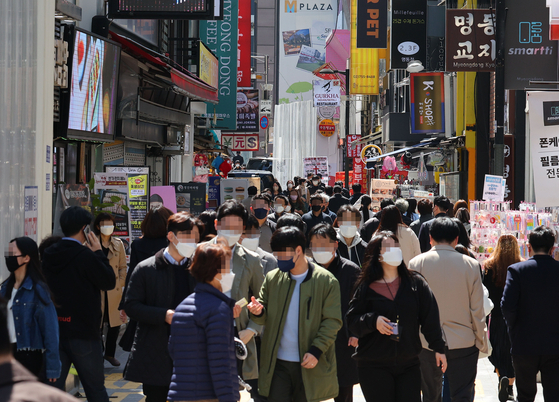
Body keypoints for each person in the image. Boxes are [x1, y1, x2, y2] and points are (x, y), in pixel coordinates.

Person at [347, 231, 447, 402]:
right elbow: (352, 321)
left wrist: (439, 348)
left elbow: (430, 317)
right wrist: (373, 321)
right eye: (388, 248)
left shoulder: (415, 283)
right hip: (373, 364)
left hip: (408, 363)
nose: (394, 250)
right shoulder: (365, 286)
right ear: (377, 256)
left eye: (395, 246)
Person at [247, 226, 342, 402]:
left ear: (298, 251)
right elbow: (262, 313)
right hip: (277, 363)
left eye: (283, 254)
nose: (279, 259)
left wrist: (316, 350)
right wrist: (257, 311)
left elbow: (332, 321)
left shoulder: (326, 281)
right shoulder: (273, 278)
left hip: (309, 362)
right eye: (277, 255)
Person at [408, 217, 487, 402]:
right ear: (456, 239)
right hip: (463, 341)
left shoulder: (415, 264)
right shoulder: (471, 265)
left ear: (430, 238)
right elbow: (477, 309)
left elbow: (412, 308)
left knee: (430, 394)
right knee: (462, 394)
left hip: (426, 342)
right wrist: (481, 339)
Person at [123, 212, 200, 402]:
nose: (193, 242)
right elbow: (131, 305)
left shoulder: (198, 269)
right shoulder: (146, 269)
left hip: (191, 349)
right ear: (171, 236)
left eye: (195, 238)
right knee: (156, 397)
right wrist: (163, 315)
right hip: (156, 349)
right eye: (187, 236)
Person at [42, 206, 116, 402]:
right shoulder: (86, 256)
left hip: (54, 331)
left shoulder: (48, 254)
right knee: (95, 390)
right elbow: (108, 281)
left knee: (51, 391)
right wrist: (99, 253)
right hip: (84, 332)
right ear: (85, 229)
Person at [167, 240, 241, 402]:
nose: (230, 273)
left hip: (180, 393)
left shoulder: (182, 307)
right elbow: (221, 362)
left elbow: (174, 350)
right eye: (228, 268)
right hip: (207, 395)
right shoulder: (218, 309)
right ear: (216, 271)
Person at [208, 200, 265, 400]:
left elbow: (262, 299)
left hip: (237, 333)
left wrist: (251, 329)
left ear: (243, 229)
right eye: (226, 226)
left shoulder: (251, 259)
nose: (231, 231)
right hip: (205, 330)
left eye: (236, 226)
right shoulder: (199, 253)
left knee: (233, 389)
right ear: (216, 225)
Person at [501, 226, 559, 402]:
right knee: (554, 395)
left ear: (529, 247)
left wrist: (514, 327)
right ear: (552, 248)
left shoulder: (517, 270)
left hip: (524, 343)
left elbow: (507, 306)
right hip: (555, 344)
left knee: (525, 395)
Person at [308, 224, 360, 402]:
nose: (319, 250)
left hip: (342, 339)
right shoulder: (307, 270)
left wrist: (355, 333)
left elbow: (358, 304)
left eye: (324, 245)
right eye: (315, 246)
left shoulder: (350, 270)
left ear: (335, 245)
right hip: (312, 337)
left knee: (343, 390)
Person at [1, 237, 60, 380]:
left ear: (26, 258)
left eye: (12, 254)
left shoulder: (37, 290)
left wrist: (53, 366)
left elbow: (50, 330)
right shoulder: (4, 288)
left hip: (27, 356)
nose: (8, 258)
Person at [0, 296, 79, 402]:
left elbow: (51, 334)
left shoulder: (39, 293)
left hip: (30, 355)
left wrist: (52, 368)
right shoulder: (6, 289)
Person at [119, 206, 173, 352]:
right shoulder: (170, 244)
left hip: (143, 296)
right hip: (166, 294)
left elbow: (132, 273)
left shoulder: (137, 244)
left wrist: (124, 303)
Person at [483, 235, 521, 402]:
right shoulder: (521, 265)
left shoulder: (490, 266)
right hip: (516, 318)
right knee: (513, 352)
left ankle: (501, 378)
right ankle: (510, 387)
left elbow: (485, 292)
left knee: (497, 351)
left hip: (497, 316)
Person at [92, 213, 127, 367]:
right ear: (98, 226)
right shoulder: (91, 242)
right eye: (104, 224)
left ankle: (110, 354)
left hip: (114, 290)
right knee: (97, 323)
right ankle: (98, 354)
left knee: (114, 323)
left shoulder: (118, 244)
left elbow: (122, 267)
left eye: (111, 224)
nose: (108, 227)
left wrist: (118, 283)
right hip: (96, 289)